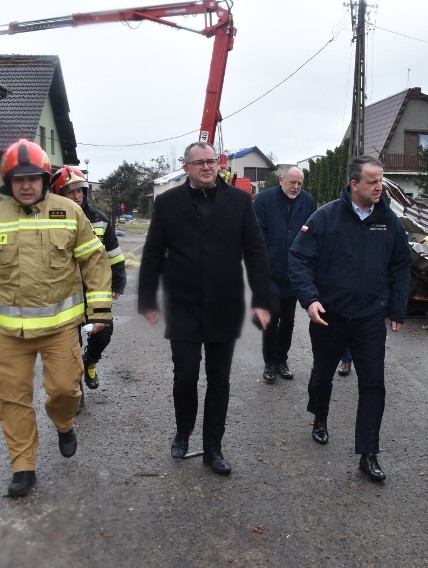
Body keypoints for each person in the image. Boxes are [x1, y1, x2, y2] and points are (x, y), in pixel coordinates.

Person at [0, 139, 113, 497]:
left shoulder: (69, 212)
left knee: (64, 389)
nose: (26, 184)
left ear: (45, 179)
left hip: (60, 329)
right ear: (8, 182)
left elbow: (94, 261)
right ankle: (23, 466)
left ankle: (63, 423)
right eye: (18, 179)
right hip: (13, 334)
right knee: (12, 396)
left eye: (32, 177)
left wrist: (101, 310)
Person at [138, 141, 271, 475]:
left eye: (211, 161)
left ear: (218, 164)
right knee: (184, 377)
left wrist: (262, 300)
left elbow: (255, 253)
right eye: (199, 163)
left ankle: (214, 447)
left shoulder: (239, 201)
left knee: (219, 380)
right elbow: (153, 253)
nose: (207, 167)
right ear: (187, 169)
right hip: (183, 305)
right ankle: (183, 433)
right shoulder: (168, 203)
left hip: (224, 305)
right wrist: (147, 300)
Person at [289, 155, 411, 482]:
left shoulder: (389, 221)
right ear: (354, 184)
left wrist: (397, 309)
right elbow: (299, 259)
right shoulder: (325, 217)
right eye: (372, 181)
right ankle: (320, 416)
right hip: (329, 315)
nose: (379, 186)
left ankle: (368, 453)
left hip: (370, 317)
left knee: (373, 383)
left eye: (381, 180)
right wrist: (310, 300)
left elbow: (401, 265)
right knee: (321, 375)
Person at [50, 165, 126, 409]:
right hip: (63, 294)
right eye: (70, 192)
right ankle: (76, 391)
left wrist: (118, 281)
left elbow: (113, 254)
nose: (77, 196)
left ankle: (90, 362)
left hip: (94, 291)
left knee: (103, 333)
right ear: (59, 193)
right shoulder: (50, 219)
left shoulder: (99, 220)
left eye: (80, 191)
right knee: (70, 344)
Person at [253, 166, 316, 384]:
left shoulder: (308, 202)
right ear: (281, 180)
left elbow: (312, 234)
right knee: (272, 316)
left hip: (294, 272)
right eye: (292, 182)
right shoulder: (263, 200)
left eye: (300, 183)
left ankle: (281, 360)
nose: (296, 187)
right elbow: (257, 234)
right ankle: (269, 362)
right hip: (270, 271)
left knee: (288, 320)